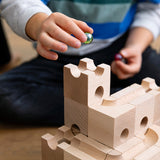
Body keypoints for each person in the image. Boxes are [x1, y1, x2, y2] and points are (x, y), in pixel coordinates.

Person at [0, 0, 160, 125]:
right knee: (5, 95)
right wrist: (38, 23)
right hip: (58, 55)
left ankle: (104, 103)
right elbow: (18, 2)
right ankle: (120, 103)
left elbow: (151, 8)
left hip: (122, 48)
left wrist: (136, 46)